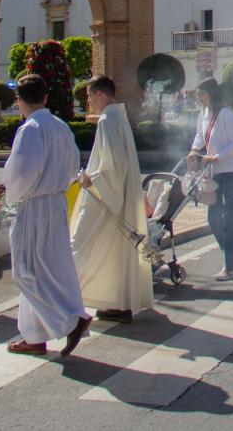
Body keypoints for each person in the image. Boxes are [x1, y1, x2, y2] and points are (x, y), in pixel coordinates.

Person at [0, 74, 91, 356]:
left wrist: (12, 198)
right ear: (46, 97)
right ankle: (34, 335)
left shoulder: (31, 129)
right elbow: (74, 164)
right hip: (56, 202)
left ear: (19, 100)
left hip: (35, 205)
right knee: (49, 267)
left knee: (26, 271)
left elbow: (23, 172)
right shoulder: (61, 126)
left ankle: (70, 319)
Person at [71, 76, 153, 322]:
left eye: (88, 95)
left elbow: (114, 163)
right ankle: (118, 302)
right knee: (115, 250)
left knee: (79, 243)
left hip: (107, 196)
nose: (88, 101)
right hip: (119, 193)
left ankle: (67, 300)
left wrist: (90, 179)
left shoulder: (107, 119)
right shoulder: (119, 117)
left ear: (100, 94)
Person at [190, 77, 233, 281]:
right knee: (213, 219)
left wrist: (217, 157)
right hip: (214, 171)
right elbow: (200, 135)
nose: (198, 96)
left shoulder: (226, 114)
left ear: (211, 94)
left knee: (229, 218)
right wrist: (193, 150)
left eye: (201, 93)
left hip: (231, 171)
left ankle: (230, 266)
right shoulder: (204, 113)